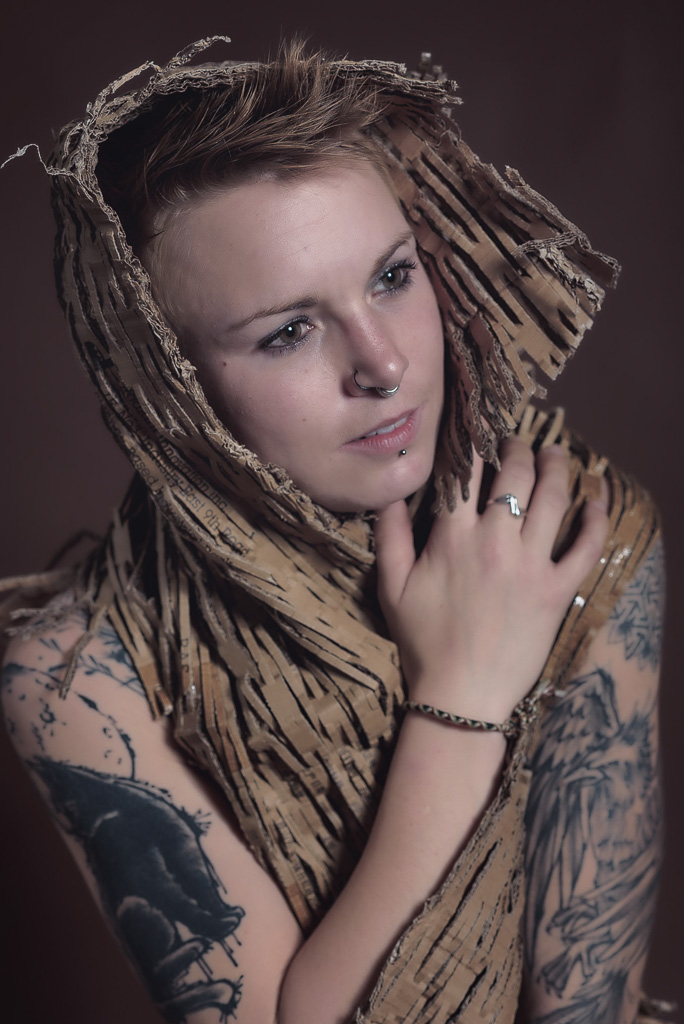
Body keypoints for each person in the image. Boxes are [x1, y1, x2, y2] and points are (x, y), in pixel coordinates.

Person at [0, 37, 666, 1024]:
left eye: (392, 276)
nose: (384, 363)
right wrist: (463, 702)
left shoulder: (570, 543)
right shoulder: (79, 673)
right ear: (168, 392)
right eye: (288, 331)